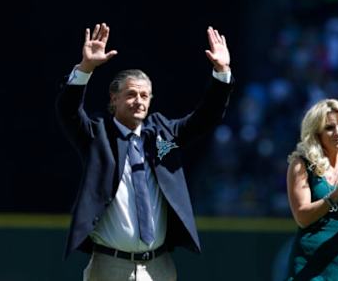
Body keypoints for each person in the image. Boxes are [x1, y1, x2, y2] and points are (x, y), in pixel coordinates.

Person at [55, 22, 234, 280]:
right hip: (109, 265)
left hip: (158, 266)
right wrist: (85, 69)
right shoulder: (98, 135)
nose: (138, 101)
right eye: (130, 94)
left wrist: (222, 72)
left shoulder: (162, 135)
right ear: (113, 99)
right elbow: (68, 112)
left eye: (144, 95)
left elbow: (205, 118)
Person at [286, 99, 338, 280]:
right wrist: (337, 193)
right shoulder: (301, 164)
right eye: (330, 128)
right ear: (316, 134)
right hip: (309, 263)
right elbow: (302, 218)